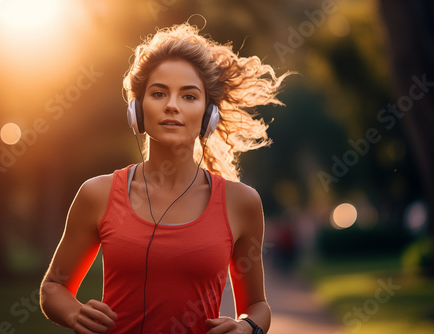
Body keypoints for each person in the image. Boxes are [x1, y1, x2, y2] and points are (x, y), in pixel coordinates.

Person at [40, 22, 289, 334]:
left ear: (208, 115)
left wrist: (247, 327)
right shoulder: (97, 194)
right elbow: (53, 288)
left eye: (189, 96)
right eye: (159, 93)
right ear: (138, 110)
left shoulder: (242, 203)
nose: (172, 105)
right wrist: (74, 314)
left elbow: (257, 305)